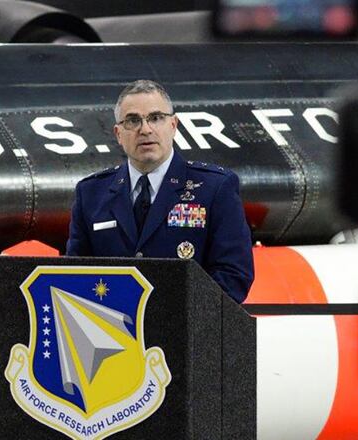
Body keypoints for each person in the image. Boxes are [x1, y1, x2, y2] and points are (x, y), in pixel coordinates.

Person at [66, 80, 254, 303]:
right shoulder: (91, 194)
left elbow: (233, 275)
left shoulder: (214, 188)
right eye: (132, 121)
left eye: (156, 118)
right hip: (111, 322)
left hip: (185, 322)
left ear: (173, 125)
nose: (145, 130)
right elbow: (75, 275)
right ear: (118, 133)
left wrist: (170, 315)